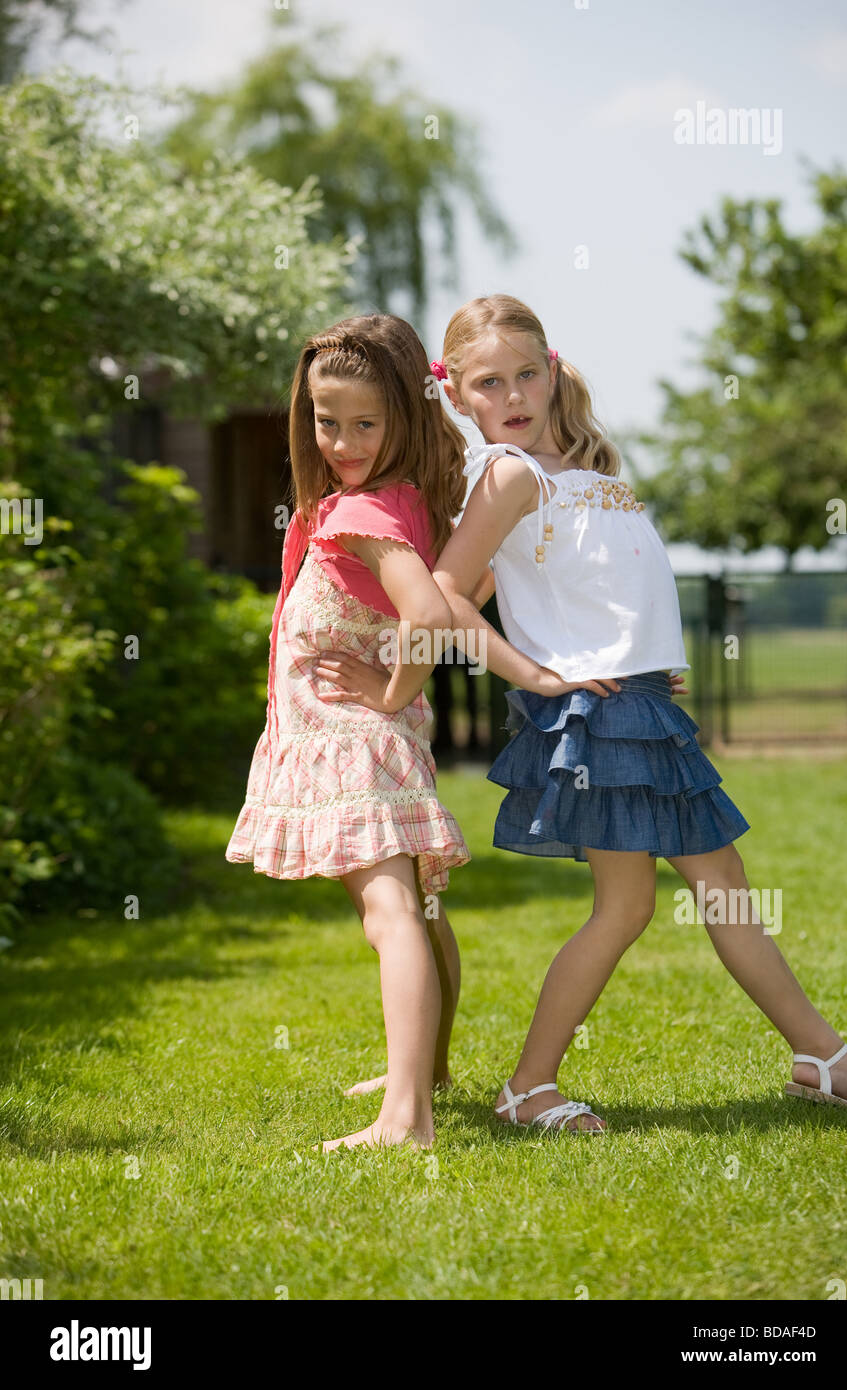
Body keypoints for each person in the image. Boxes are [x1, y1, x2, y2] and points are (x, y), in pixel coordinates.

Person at [318, 293, 847, 1132]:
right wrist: (530, 674)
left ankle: (819, 1059)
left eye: (527, 374)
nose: (513, 395)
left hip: (640, 709)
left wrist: (644, 664)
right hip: (595, 718)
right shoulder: (507, 474)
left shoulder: (588, 472)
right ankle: (532, 1086)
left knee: (713, 895)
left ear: (551, 369)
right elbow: (449, 594)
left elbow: (563, 587)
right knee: (636, 906)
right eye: (490, 383)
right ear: (458, 396)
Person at [225, 314, 476, 1152]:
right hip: (373, 734)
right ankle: (423, 1075)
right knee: (421, 909)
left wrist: (390, 685)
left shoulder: (360, 514)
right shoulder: (399, 496)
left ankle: (406, 1119)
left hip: (352, 737)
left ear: (403, 412)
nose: (341, 440)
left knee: (391, 914)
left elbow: (430, 614)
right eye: (326, 422)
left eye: (365, 423)